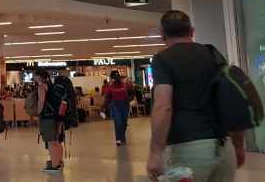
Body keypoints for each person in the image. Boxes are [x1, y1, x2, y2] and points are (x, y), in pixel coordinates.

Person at [146, 10, 244, 182]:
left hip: (188, 149)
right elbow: (232, 102)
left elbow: (164, 107)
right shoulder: (214, 56)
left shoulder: (163, 60)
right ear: (191, 30)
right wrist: (238, 145)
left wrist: (156, 152)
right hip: (223, 147)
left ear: (163, 35)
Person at [36, 70, 62, 173]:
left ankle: (54, 166)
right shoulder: (51, 85)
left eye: (35, 76)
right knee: (55, 141)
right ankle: (58, 162)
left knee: (50, 142)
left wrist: (39, 113)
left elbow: (41, 101)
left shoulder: (42, 86)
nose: (35, 78)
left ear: (39, 76)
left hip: (47, 117)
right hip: (56, 116)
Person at [103, 70, 132, 146]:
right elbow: (107, 99)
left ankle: (121, 138)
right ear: (113, 78)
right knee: (119, 122)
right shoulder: (110, 87)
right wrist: (102, 107)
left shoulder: (125, 84)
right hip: (115, 105)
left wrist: (129, 99)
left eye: (118, 74)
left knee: (124, 123)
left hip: (125, 105)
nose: (118, 76)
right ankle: (119, 139)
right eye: (116, 75)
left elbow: (132, 93)